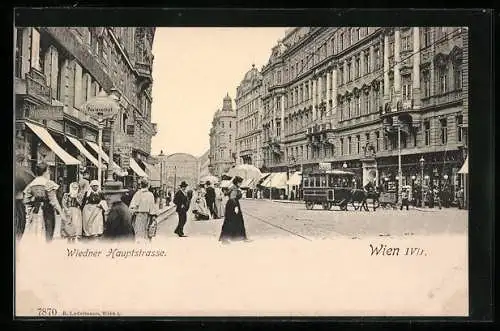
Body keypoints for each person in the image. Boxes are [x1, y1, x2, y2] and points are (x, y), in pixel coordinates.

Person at [23, 162, 67, 243]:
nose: (49, 172)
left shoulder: (32, 184)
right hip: (48, 211)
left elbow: (26, 200)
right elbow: (54, 201)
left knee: (36, 233)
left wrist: (35, 202)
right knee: (48, 233)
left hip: (35, 212)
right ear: (46, 171)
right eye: (48, 170)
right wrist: (61, 213)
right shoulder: (48, 183)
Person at [219, 176, 248, 243]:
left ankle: (233, 237)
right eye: (240, 183)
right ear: (237, 182)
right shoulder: (234, 188)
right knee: (233, 221)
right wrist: (236, 207)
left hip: (230, 205)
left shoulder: (233, 187)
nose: (241, 184)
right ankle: (228, 238)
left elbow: (227, 194)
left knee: (232, 221)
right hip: (233, 205)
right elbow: (232, 198)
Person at [129, 178, 158, 242]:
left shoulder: (137, 194)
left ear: (141, 185)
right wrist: (154, 217)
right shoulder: (150, 195)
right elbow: (152, 208)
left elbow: (132, 207)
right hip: (147, 216)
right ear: (147, 185)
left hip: (138, 216)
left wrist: (134, 212)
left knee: (138, 233)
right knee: (147, 233)